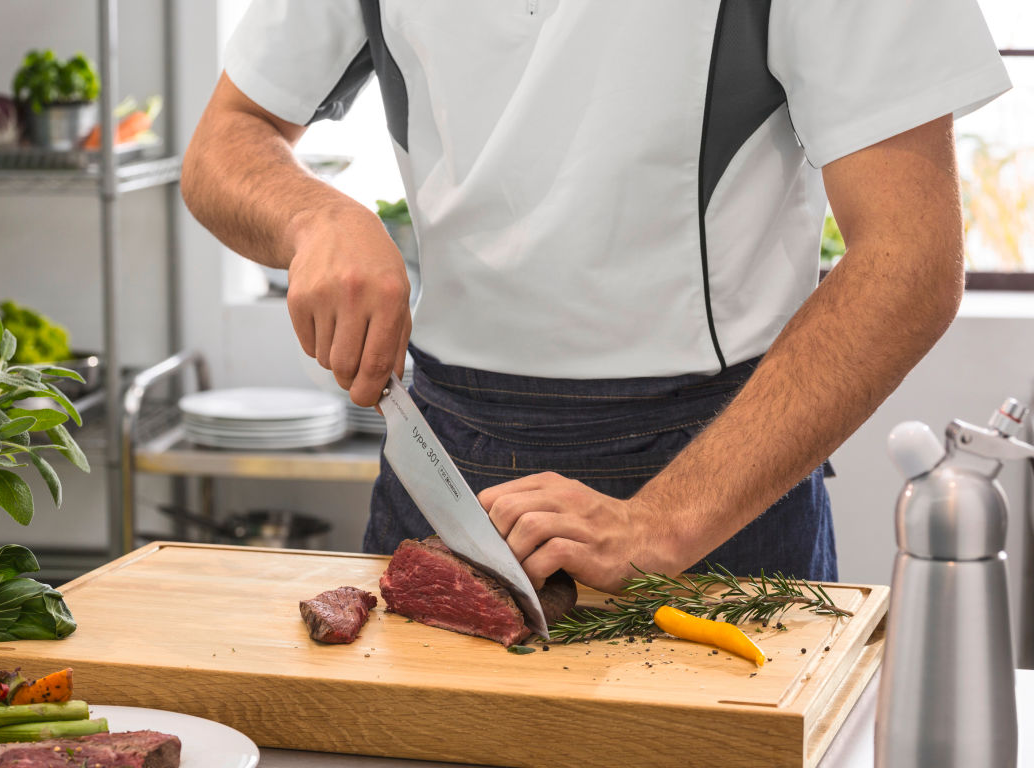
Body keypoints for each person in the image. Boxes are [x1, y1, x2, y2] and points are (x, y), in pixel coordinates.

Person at [181, 1, 1011, 594]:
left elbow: (911, 257)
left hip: (709, 489)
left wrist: (662, 524)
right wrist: (313, 215)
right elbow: (225, 139)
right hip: (440, 461)